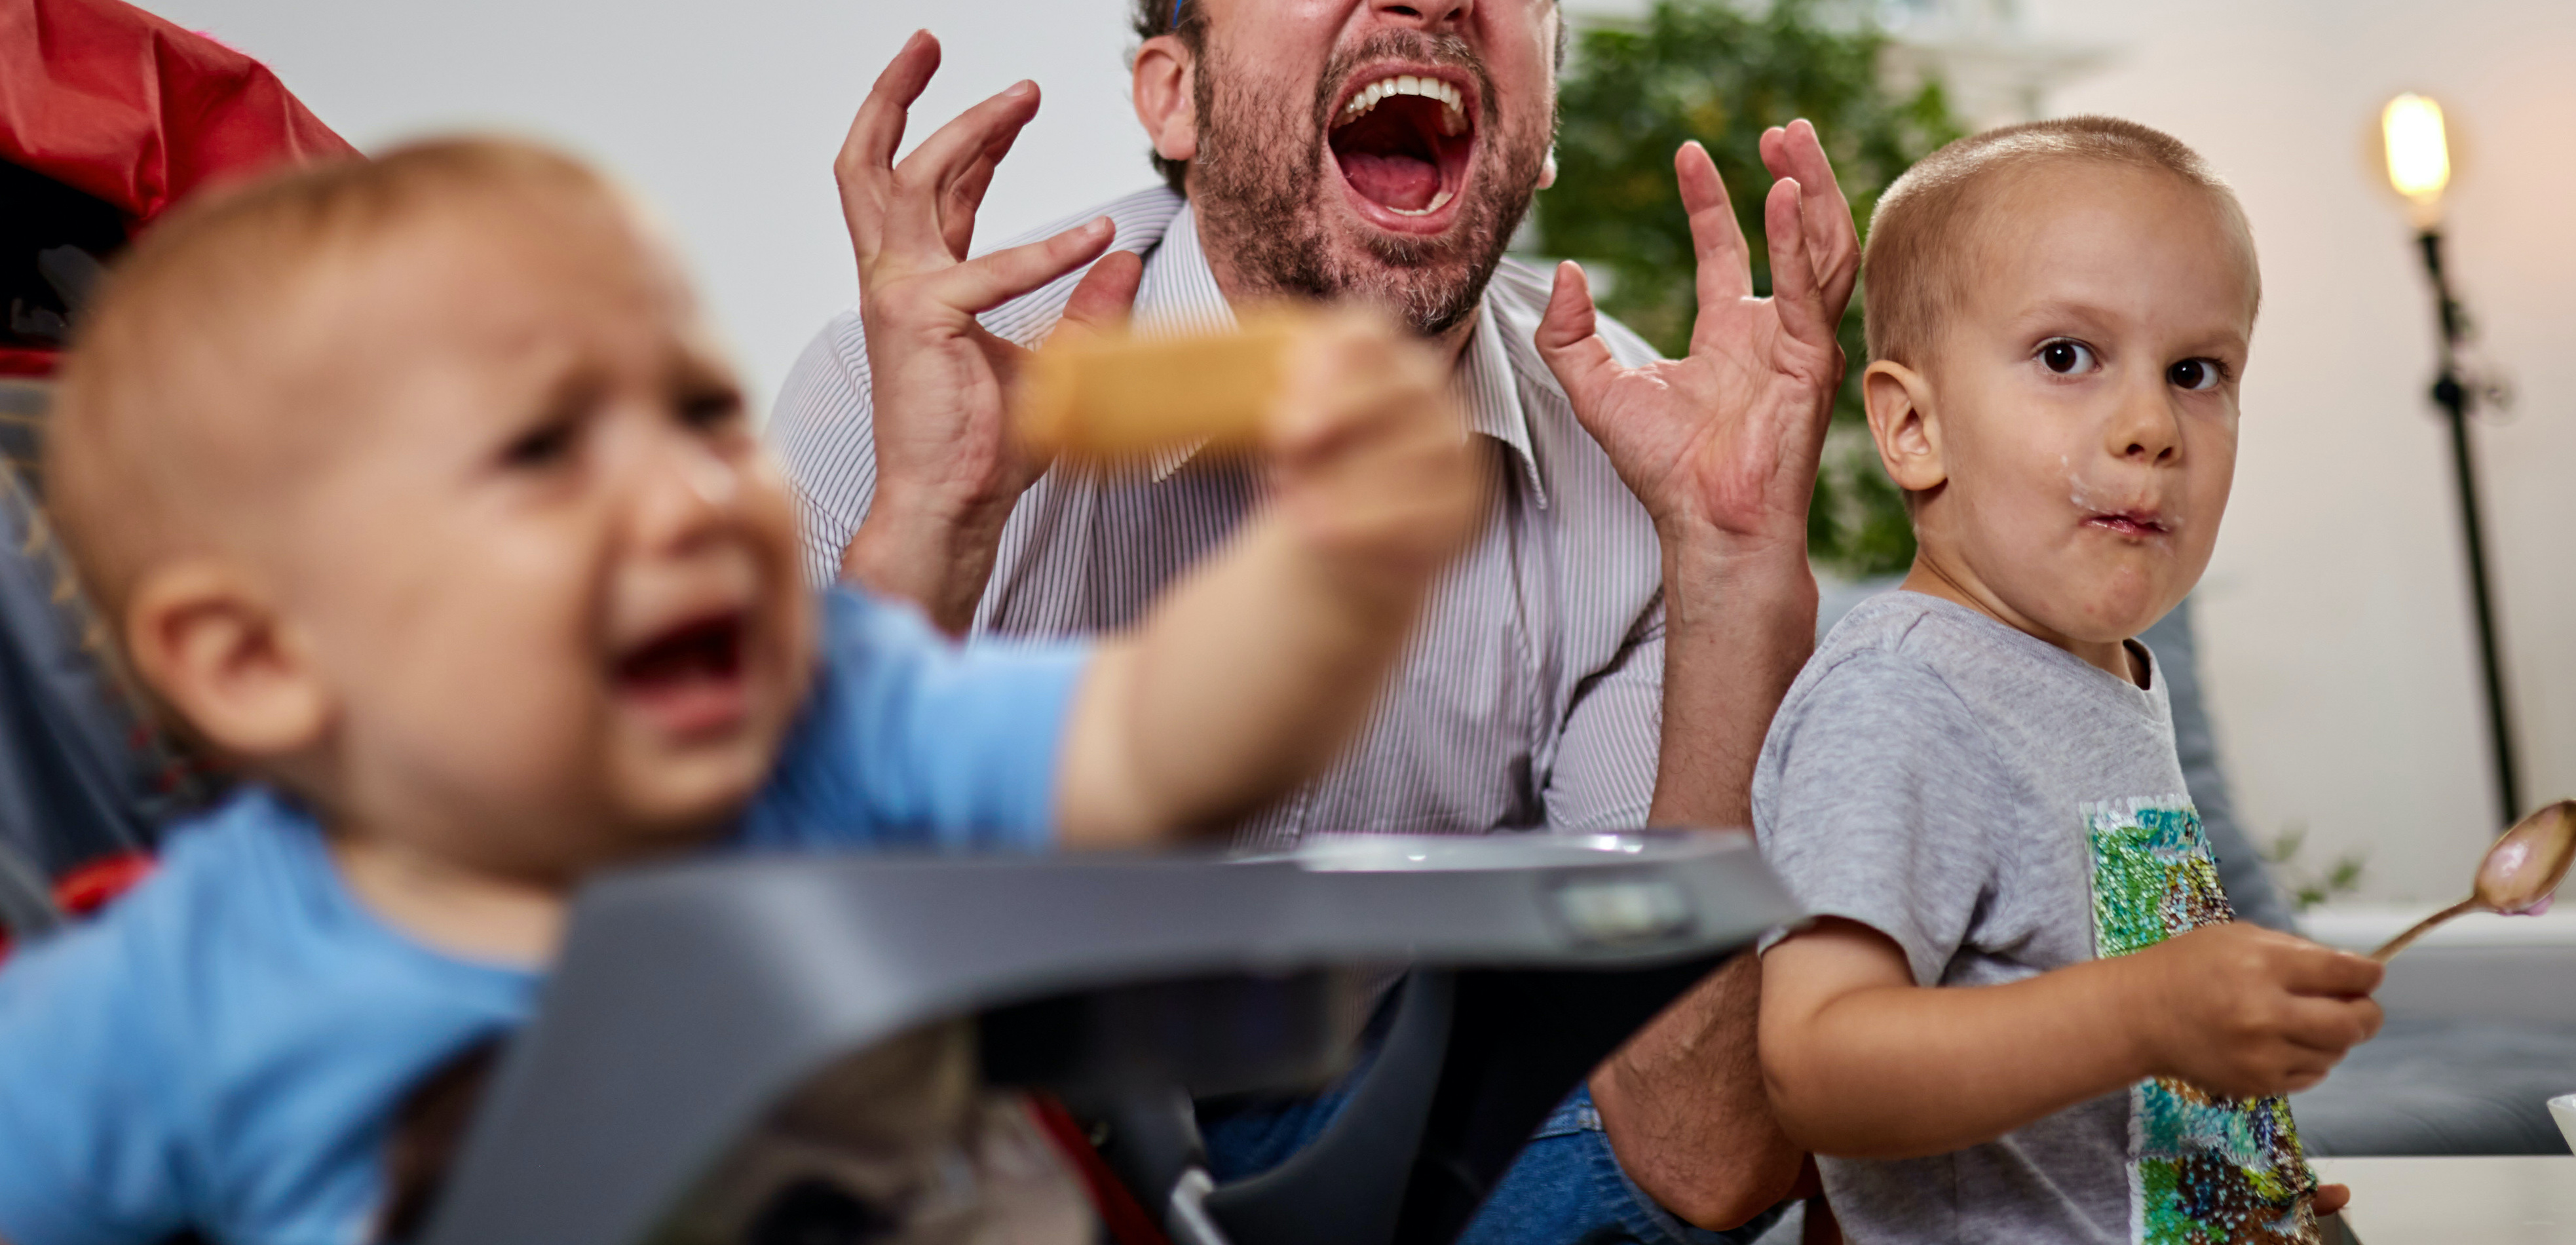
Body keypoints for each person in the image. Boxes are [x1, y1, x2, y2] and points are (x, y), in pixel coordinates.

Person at [770, 0, 1847, 1236]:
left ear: (1538, 129)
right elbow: (749, 1019)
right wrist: (935, 525)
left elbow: (1695, 1162)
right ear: (1174, 96)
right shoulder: (909, 386)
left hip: (1403, 1149)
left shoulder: (1641, 469)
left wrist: (1737, 571)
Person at [0, 138, 1481, 1245]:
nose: (693, 494)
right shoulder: (178, 999)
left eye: (704, 413)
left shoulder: (828, 730)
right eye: (541, 451)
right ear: (259, 659)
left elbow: (1155, 738)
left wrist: (1334, 568)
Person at [1751, 119, 2387, 1244]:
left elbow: (2115, 1095)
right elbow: (1817, 1064)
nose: (2150, 426)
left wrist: (2230, 1184)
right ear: (1911, 425)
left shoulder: (2110, 682)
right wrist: (2150, 1012)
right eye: (2064, 356)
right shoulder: (1899, 695)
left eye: (2196, 373)